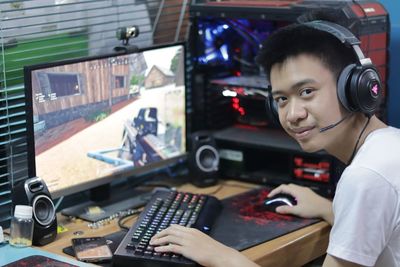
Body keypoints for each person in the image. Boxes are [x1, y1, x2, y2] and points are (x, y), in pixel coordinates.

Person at [150, 19, 400, 267]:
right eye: (281, 99)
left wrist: (224, 258)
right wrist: (327, 208)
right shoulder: (389, 146)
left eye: (306, 92)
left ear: (355, 87)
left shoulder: (366, 178)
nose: (292, 114)